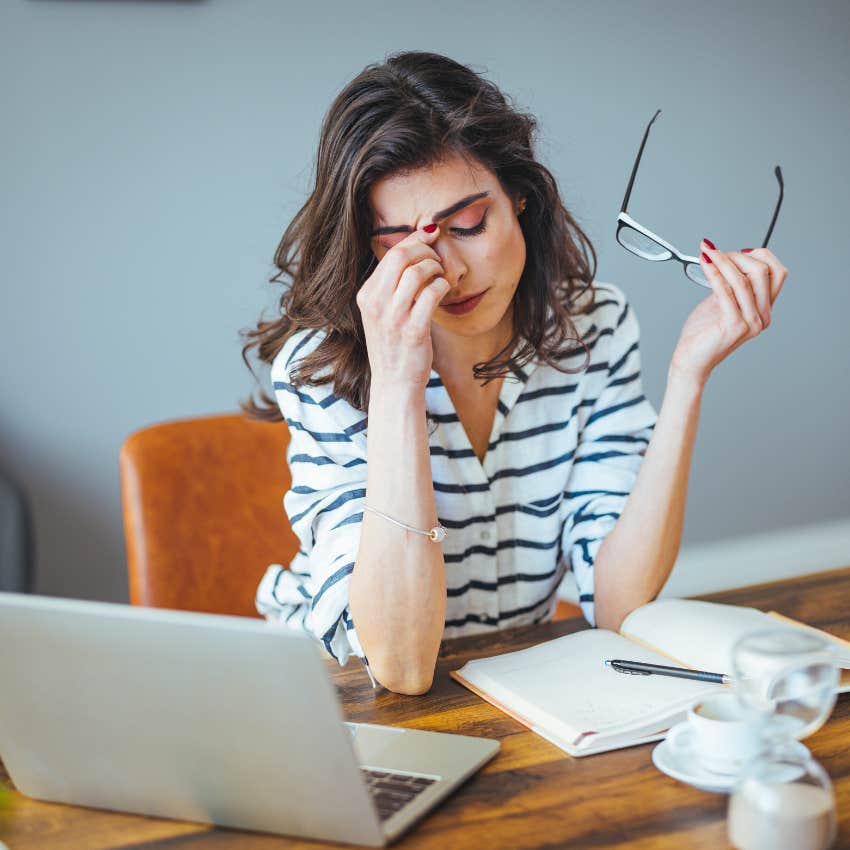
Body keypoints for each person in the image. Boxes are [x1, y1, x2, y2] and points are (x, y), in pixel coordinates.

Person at [241, 51, 788, 695]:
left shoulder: (592, 328)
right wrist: (396, 384)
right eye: (403, 247)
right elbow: (401, 665)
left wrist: (688, 378)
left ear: (520, 195)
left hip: (506, 689)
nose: (451, 272)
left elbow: (619, 608)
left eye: (469, 225)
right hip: (335, 697)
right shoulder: (322, 369)